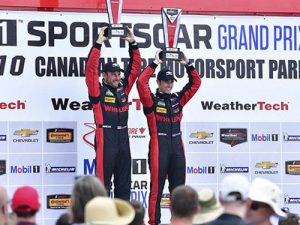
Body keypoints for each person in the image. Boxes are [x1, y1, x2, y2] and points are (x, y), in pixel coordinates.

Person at [136, 49, 201, 225]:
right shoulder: (151, 101)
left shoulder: (178, 99)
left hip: (177, 148)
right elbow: (141, 83)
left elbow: (196, 83)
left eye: (171, 81)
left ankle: (178, 222)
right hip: (159, 147)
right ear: (158, 82)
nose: (169, 85)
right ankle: (154, 222)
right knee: (156, 190)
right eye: (166, 81)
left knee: (179, 192)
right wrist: (154, 63)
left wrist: (188, 65)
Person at [85, 26, 141, 200]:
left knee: (124, 184)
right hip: (105, 137)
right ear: (104, 76)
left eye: (118, 74)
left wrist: (133, 43)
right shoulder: (97, 91)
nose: (117, 77)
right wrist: (98, 44)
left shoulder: (124, 88)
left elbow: (135, 67)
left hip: (123, 137)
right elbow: (90, 71)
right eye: (113, 75)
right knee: (102, 185)